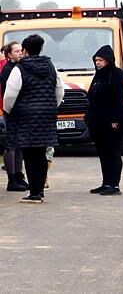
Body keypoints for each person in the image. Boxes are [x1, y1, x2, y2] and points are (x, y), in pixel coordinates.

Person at [3, 34, 65, 203]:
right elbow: (60, 90)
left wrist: (9, 111)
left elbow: (10, 95)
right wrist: (51, 107)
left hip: (25, 117)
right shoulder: (50, 66)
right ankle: (40, 189)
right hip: (47, 116)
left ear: (24, 50)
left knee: (30, 155)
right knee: (41, 153)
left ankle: (34, 193)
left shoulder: (19, 69)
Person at [85, 45, 123, 196]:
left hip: (113, 123)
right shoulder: (98, 75)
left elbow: (118, 100)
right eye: (96, 60)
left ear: (108, 60)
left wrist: (115, 119)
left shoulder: (116, 75)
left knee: (113, 153)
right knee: (103, 154)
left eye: (101, 60)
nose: (98, 63)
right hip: (98, 123)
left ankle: (114, 185)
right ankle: (106, 182)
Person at [0, 42, 27, 191]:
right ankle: (12, 179)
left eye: (21, 51)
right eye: (16, 51)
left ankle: (18, 175)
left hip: (20, 111)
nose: (20, 54)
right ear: (9, 55)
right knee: (11, 145)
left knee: (19, 145)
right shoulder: (8, 70)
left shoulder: (19, 67)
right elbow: (9, 94)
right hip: (11, 111)